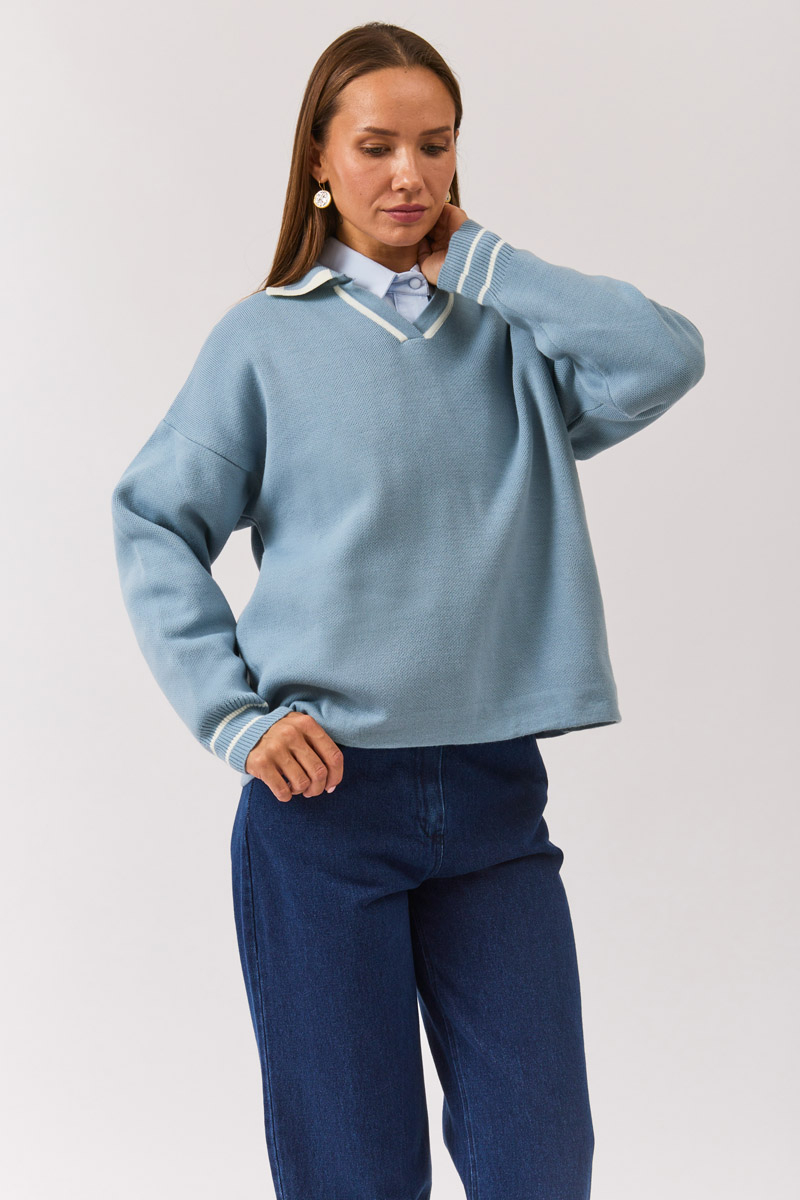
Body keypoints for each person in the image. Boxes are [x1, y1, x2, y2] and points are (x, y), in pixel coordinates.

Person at [110, 21, 705, 1200]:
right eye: (375, 145)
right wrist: (234, 717)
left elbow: (661, 357)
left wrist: (485, 264)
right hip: (323, 806)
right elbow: (152, 521)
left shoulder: (508, 335)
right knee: (354, 1171)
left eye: (434, 146)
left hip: (493, 796)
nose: (407, 175)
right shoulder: (262, 341)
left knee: (539, 1160)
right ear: (318, 162)